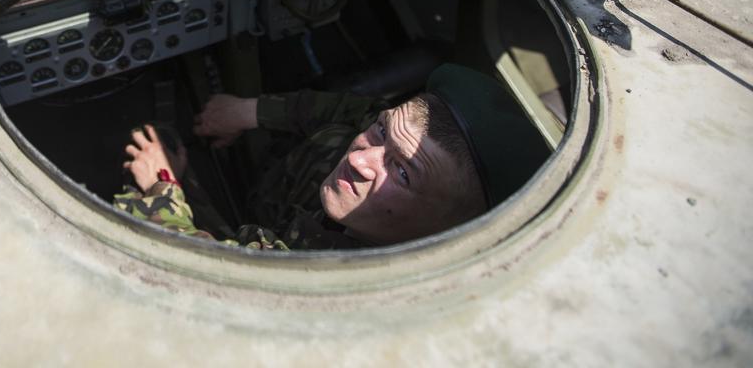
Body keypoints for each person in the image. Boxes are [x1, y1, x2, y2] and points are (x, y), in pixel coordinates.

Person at [115, 64, 549, 250]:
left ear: (458, 229)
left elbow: (190, 266)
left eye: (401, 171)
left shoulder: (325, 286)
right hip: (274, 210)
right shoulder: (379, 146)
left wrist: (162, 185)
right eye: (380, 130)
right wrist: (247, 112)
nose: (361, 158)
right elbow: (349, 111)